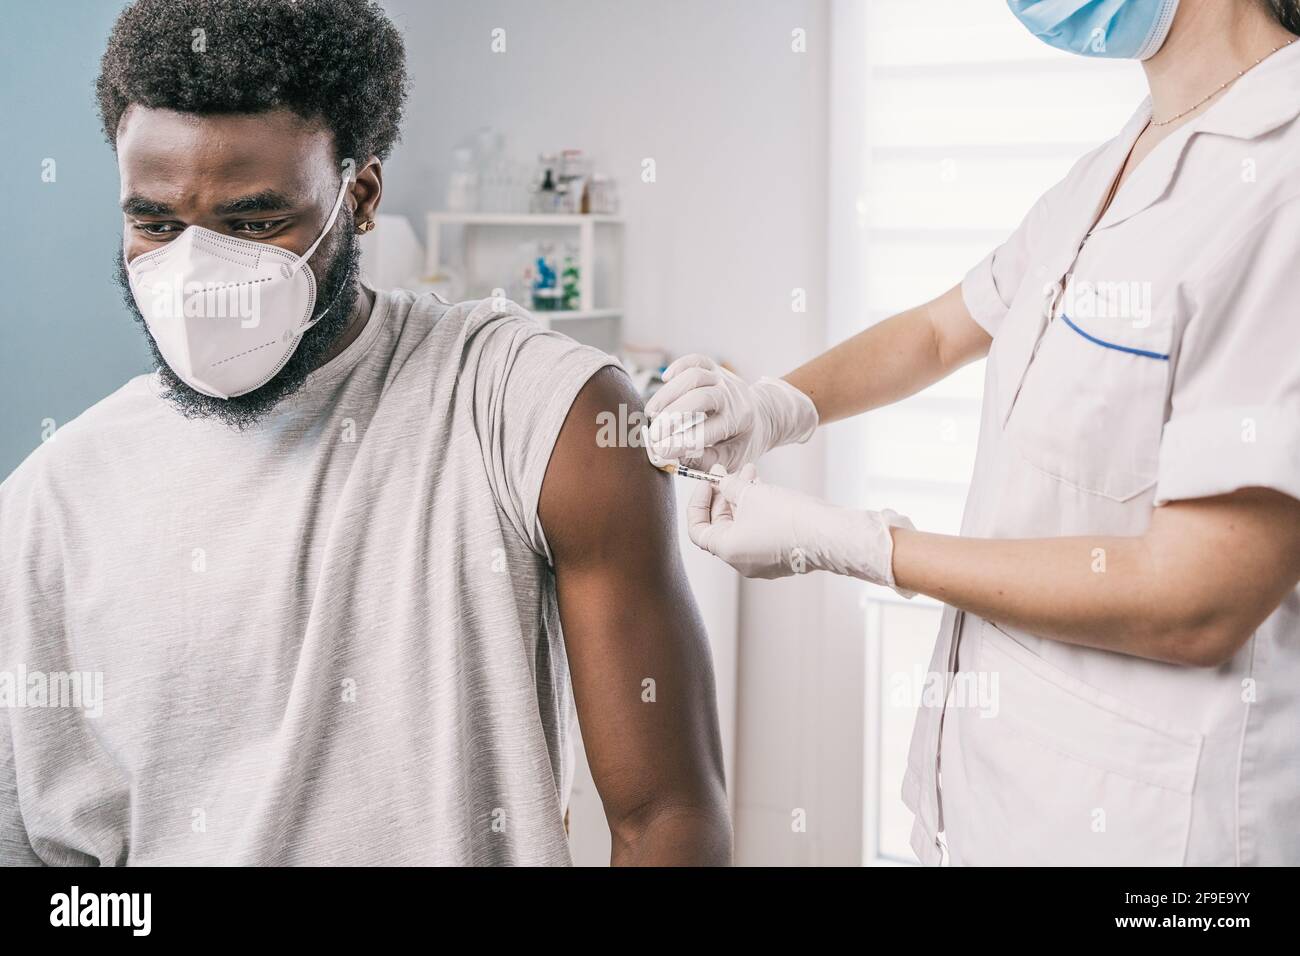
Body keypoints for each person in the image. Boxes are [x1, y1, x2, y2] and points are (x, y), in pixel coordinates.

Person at [0, 0, 731, 866]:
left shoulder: (535, 414)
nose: (198, 278)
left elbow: (667, 819)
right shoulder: (50, 503)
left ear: (363, 195)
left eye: (254, 223)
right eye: (156, 224)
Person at [647, 0, 1300, 865]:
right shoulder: (1127, 155)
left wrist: (860, 546)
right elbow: (941, 330)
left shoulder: (1280, 181)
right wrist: (771, 406)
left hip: (1166, 837)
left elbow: (1198, 600)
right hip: (1013, 799)